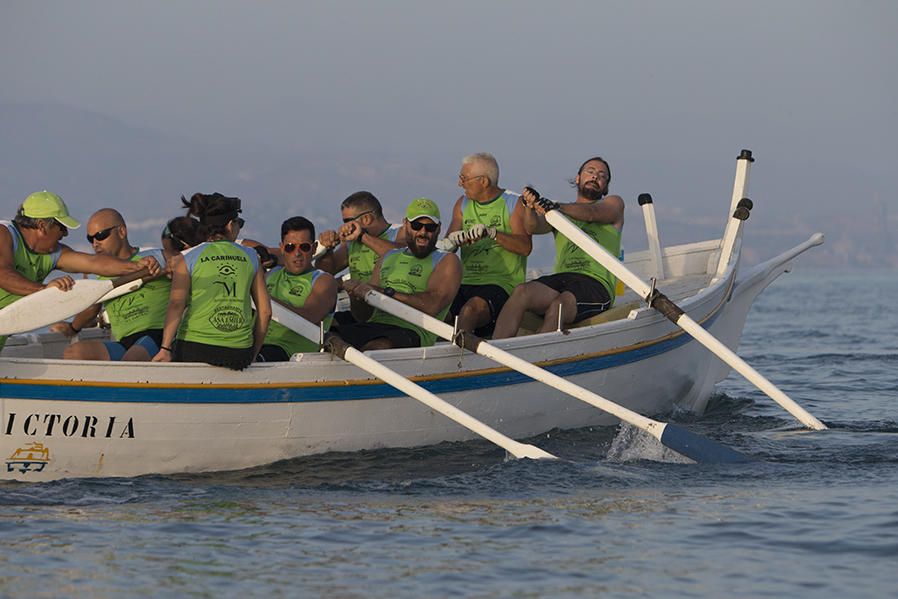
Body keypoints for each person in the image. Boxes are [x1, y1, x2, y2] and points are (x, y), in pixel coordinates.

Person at [0, 191, 160, 351]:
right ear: (42, 226)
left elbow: (94, 263)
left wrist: (136, 266)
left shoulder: (53, 253)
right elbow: (2, 274)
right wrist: (43, 290)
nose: (66, 234)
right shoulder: (4, 234)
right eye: (62, 227)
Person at [493, 157, 624, 338]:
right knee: (522, 292)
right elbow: (532, 227)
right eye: (590, 171)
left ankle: (539, 356)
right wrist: (529, 206)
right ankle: (495, 352)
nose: (595, 177)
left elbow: (592, 214)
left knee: (559, 306)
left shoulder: (614, 204)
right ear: (577, 178)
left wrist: (555, 206)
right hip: (563, 278)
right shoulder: (559, 213)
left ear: (606, 187)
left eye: (602, 176)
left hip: (596, 284)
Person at [152, 193, 271, 370]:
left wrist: (165, 348)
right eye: (240, 224)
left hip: (195, 348)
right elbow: (265, 312)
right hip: (238, 353)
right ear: (230, 225)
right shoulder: (251, 256)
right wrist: (251, 353)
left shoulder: (187, 258)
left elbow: (177, 304)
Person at [336, 198, 461, 350]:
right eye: (416, 225)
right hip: (375, 326)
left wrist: (382, 292)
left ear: (439, 229)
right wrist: (356, 296)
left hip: (413, 330)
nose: (423, 232)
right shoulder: (388, 257)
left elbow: (432, 304)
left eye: (430, 227)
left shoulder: (448, 260)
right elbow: (364, 316)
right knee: (325, 338)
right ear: (406, 225)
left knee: (374, 347)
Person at [52, 209, 171, 361]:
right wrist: (72, 328)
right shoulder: (100, 275)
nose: (95, 243)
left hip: (158, 335)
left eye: (100, 236)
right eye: (90, 239)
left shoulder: (159, 256)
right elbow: (91, 309)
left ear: (121, 232)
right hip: (124, 342)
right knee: (73, 353)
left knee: (132, 358)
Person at [441, 152, 531, 337]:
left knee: (469, 311)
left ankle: (462, 361)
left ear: (483, 181)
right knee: (437, 310)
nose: (460, 184)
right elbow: (446, 244)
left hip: (500, 284)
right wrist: (453, 240)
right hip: (466, 281)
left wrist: (492, 233)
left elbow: (525, 247)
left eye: (464, 178)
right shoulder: (462, 204)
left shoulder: (513, 204)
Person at [316, 191, 405, 325]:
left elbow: (401, 257)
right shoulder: (352, 243)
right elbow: (327, 272)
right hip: (361, 312)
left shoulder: (399, 232)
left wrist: (362, 236)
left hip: (392, 313)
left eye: (347, 221)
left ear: (367, 219)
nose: (343, 226)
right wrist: (328, 249)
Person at [257, 216, 337, 361]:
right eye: (290, 247)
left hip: (289, 354)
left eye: (304, 247)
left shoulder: (324, 281)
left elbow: (309, 317)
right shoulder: (270, 274)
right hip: (257, 344)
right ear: (282, 248)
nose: (297, 253)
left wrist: (262, 297)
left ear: (313, 249)